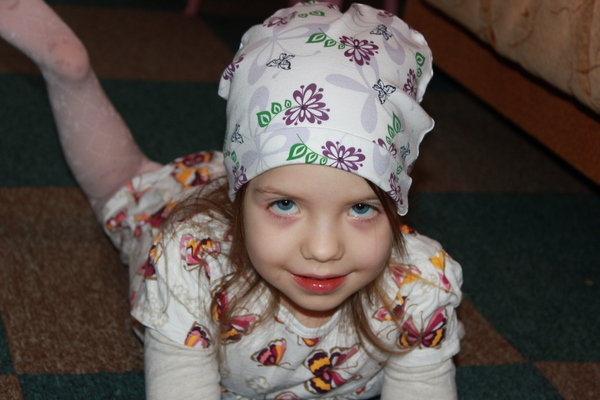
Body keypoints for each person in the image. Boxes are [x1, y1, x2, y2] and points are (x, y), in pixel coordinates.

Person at [0, 1, 463, 399]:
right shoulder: (194, 259)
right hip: (192, 200)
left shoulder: (420, 287)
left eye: (361, 208)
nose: (323, 250)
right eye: (286, 206)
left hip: (263, 164)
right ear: (240, 201)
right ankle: (69, 70)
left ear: (396, 204)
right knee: (128, 186)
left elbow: (421, 384)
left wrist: (279, 198)